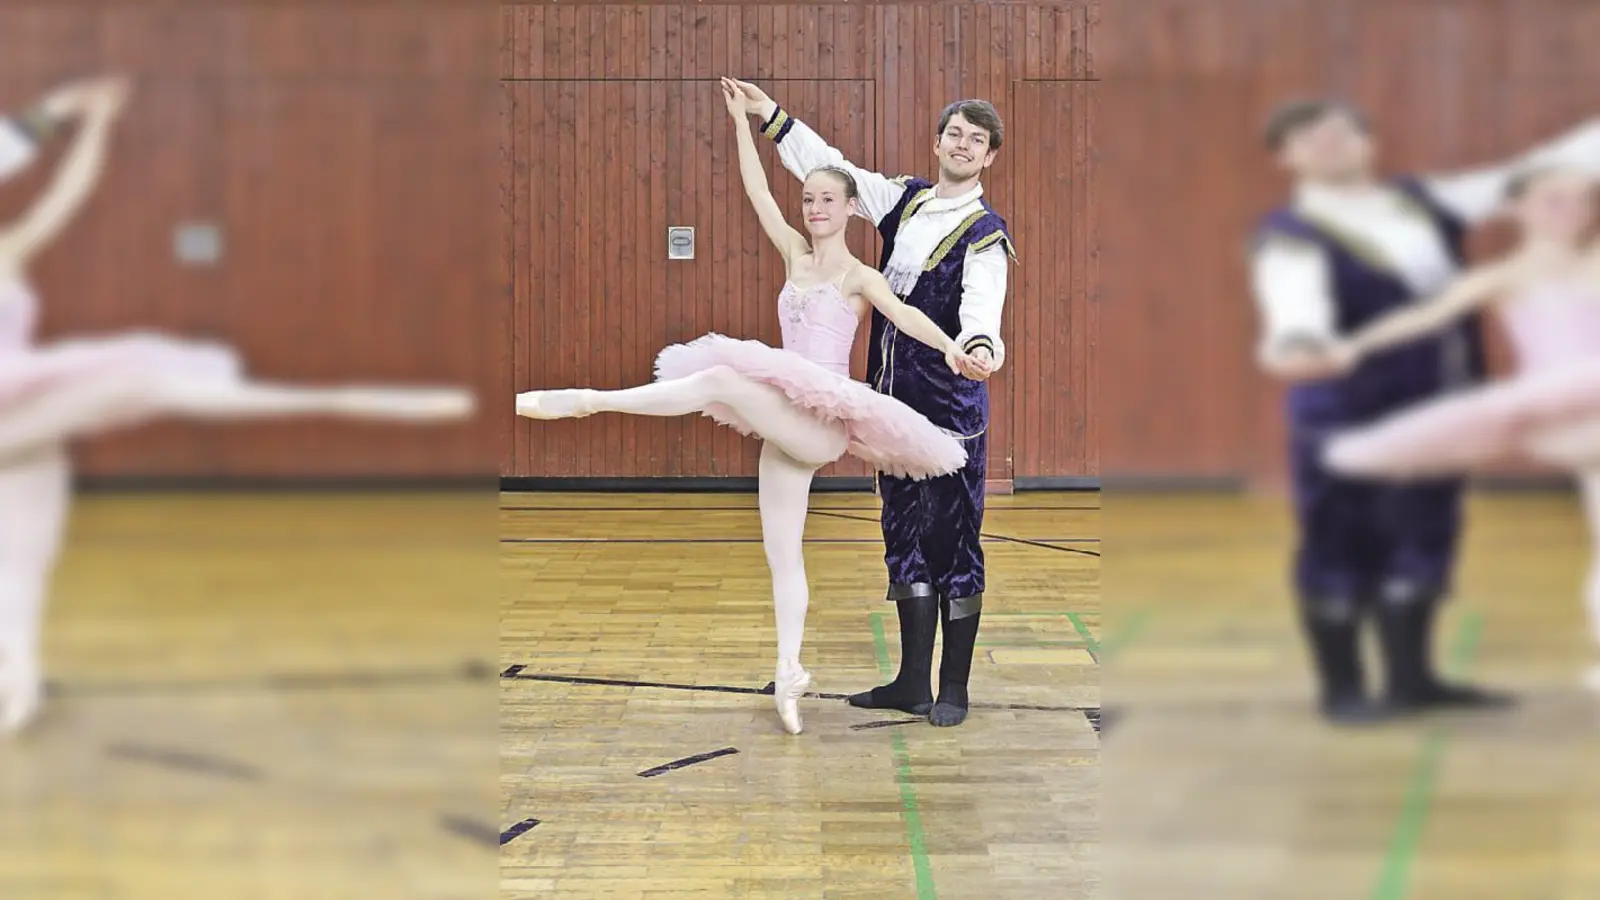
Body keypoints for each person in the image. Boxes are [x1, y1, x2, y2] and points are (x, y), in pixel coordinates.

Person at [0, 76, 475, 734]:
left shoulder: (8, 252)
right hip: (20, 408)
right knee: (149, 387)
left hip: (30, 423)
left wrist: (95, 123)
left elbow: (62, 197)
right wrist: (63, 111)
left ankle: (20, 681)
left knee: (25, 567)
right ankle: (331, 398)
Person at [515, 77, 979, 735]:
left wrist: (955, 347)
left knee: (721, 378)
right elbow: (757, 191)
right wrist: (741, 122)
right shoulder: (794, 254)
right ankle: (789, 673)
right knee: (781, 553)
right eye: (808, 199)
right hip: (784, 421)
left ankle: (590, 401)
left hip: (821, 420)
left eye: (827, 199)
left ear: (851, 208)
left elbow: (906, 317)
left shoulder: (859, 276)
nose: (814, 208)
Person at [1251, 97, 1600, 722]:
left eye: (1340, 130)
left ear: (1368, 141)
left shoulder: (1428, 201)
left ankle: (1412, 680)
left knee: (1425, 535)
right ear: (1284, 157)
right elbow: (1296, 312)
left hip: (1437, 402)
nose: (1329, 142)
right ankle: (1343, 690)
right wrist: (1304, 345)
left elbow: (1547, 166)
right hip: (1345, 405)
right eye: (1308, 137)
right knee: (1340, 540)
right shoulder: (1290, 235)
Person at [721, 78, 1015, 728]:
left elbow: (981, 306)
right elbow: (831, 167)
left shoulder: (985, 233)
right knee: (902, 534)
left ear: (989, 155)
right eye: (955, 133)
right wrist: (768, 115)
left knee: (953, 539)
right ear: (938, 142)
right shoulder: (903, 200)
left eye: (976, 139)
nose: (962, 145)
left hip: (950, 411)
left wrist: (978, 345)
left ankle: (954, 687)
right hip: (887, 408)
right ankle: (911, 682)